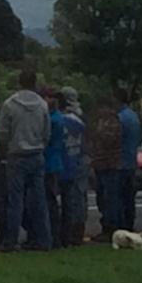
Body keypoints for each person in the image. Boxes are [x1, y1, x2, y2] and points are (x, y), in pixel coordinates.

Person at [0, 70, 51, 251]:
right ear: (35, 83)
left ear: (19, 82)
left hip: (16, 155)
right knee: (39, 200)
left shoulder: (10, 104)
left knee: (15, 200)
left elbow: (3, 132)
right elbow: (47, 132)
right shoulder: (42, 104)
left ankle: (11, 241)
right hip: (36, 154)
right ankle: (43, 239)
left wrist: (9, 148)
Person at [89, 102, 123, 240]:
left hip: (110, 165)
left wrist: (97, 133)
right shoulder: (100, 122)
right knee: (101, 197)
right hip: (100, 164)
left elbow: (109, 140)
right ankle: (106, 225)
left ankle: (111, 228)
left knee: (110, 198)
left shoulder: (113, 123)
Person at [59, 90, 87, 247]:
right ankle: (78, 231)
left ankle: (68, 232)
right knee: (78, 198)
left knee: (69, 200)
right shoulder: (79, 119)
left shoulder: (60, 119)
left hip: (66, 162)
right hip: (79, 160)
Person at [116, 89, 142, 231]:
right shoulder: (134, 116)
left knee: (119, 197)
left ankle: (121, 224)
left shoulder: (120, 118)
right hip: (132, 160)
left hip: (120, 162)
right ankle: (130, 223)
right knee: (129, 197)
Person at [43, 88, 66, 248]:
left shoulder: (54, 119)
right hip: (53, 162)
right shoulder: (55, 117)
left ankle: (54, 236)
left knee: (49, 201)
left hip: (50, 163)